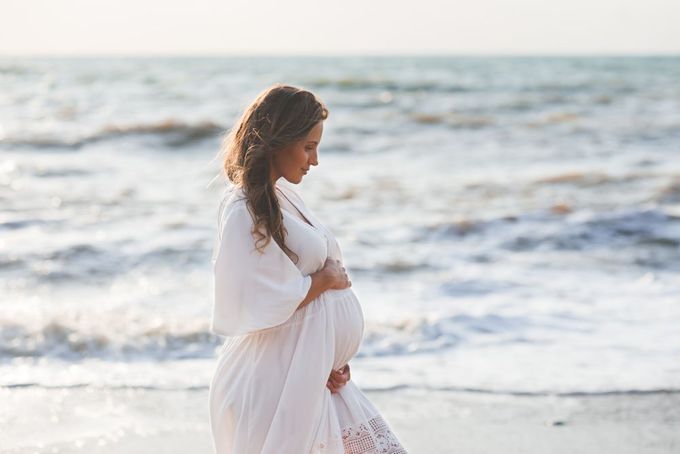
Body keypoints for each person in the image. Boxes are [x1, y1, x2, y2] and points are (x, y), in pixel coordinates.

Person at [209, 84, 408, 453]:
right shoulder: (242, 209)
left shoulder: (281, 197)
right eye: (308, 147)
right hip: (276, 378)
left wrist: (328, 357)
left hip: (309, 371)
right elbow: (251, 299)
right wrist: (324, 279)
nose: (314, 160)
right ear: (276, 141)